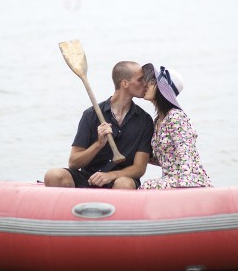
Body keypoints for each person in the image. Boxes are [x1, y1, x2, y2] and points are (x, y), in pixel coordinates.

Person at [44, 61, 154, 189]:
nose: (145, 84)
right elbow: (73, 163)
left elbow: (139, 168)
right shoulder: (91, 114)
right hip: (88, 177)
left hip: (120, 178)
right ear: (125, 83)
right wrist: (98, 144)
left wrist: (111, 175)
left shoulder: (145, 120)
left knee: (124, 183)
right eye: (140, 79)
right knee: (53, 175)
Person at [139, 63, 213, 189]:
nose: (146, 84)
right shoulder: (158, 121)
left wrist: (183, 187)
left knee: (148, 186)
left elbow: (186, 155)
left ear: (161, 89)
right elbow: (166, 159)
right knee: (148, 185)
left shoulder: (176, 117)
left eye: (151, 81)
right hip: (171, 180)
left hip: (191, 180)